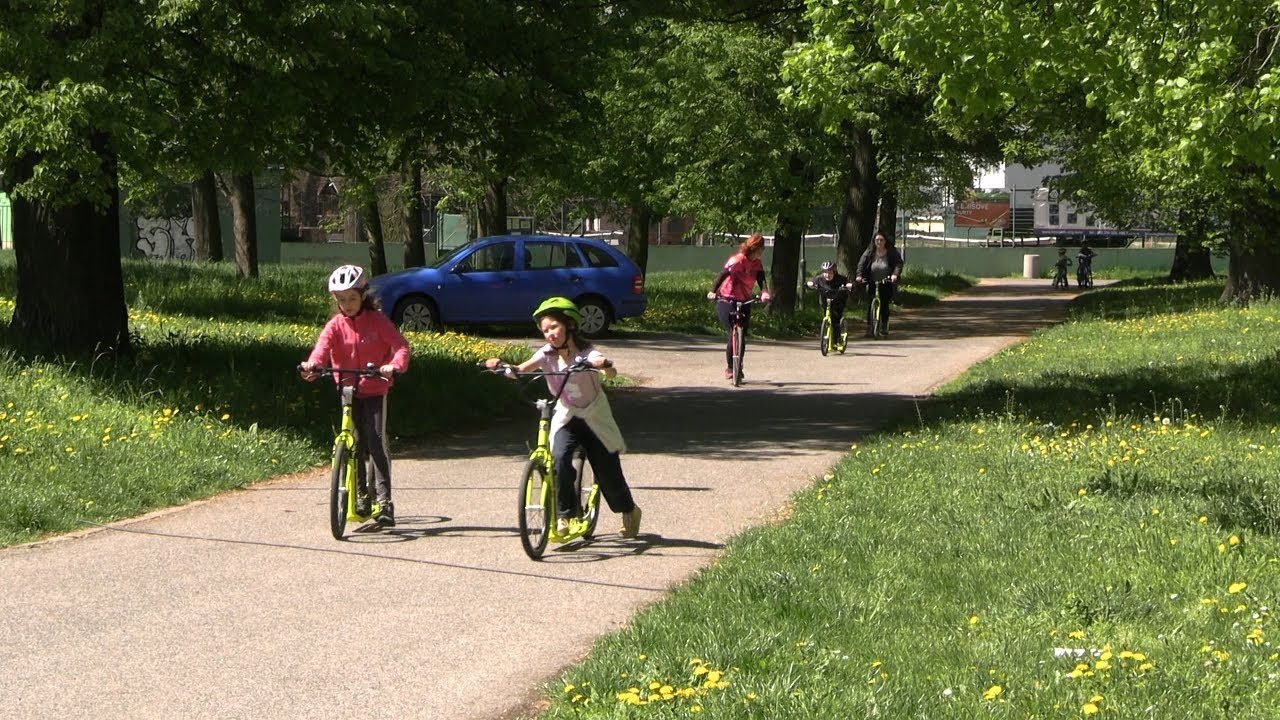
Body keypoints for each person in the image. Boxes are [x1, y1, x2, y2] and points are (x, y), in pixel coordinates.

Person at [483, 297, 642, 538]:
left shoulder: (587, 353)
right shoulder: (546, 354)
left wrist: (603, 364)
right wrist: (501, 366)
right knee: (558, 458)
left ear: (570, 325)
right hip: (567, 414)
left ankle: (629, 510)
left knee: (608, 471)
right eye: (545, 330)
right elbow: (521, 369)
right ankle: (566, 515)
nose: (550, 334)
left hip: (594, 416)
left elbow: (609, 370)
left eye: (554, 327)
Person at [300, 265, 410, 526]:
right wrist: (312, 365)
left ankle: (384, 502)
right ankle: (361, 496)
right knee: (355, 443)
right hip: (347, 389)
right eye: (341, 300)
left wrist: (393, 366)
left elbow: (400, 347)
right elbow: (321, 349)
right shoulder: (335, 325)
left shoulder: (378, 321)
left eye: (352, 298)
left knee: (375, 441)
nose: (347, 304)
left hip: (375, 389)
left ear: (363, 295)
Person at [706, 234, 771, 380]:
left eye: (762, 250)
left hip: (744, 300)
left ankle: (738, 365)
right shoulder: (737, 260)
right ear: (753, 248)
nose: (761, 252)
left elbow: (761, 280)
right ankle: (730, 367)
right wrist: (712, 291)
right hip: (727, 299)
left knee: (742, 336)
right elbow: (723, 275)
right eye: (760, 249)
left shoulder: (757, 264)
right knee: (732, 332)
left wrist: (764, 292)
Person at [854, 233, 905, 337]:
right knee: (871, 304)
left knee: (884, 304)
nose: (879, 242)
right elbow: (861, 264)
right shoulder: (869, 252)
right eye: (877, 240)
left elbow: (898, 263)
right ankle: (869, 328)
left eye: (881, 240)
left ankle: (884, 326)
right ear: (874, 241)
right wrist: (859, 275)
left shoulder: (891, 252)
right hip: (872, 280)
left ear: (885, 241)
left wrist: (895, 274)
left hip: (886, 282)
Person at [806, 260, 853, 341]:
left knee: (835, 318)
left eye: (830, 272)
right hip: (825, 301)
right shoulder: (819, 279)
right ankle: (826, 333)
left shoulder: (840, 279)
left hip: (838, 301)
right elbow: (811, 283)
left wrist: (849, 286)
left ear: (834, 272)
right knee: (827, 317)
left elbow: (849, 284)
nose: (827, 275)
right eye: (825, 272)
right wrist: (809, 284)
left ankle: (837, 338)